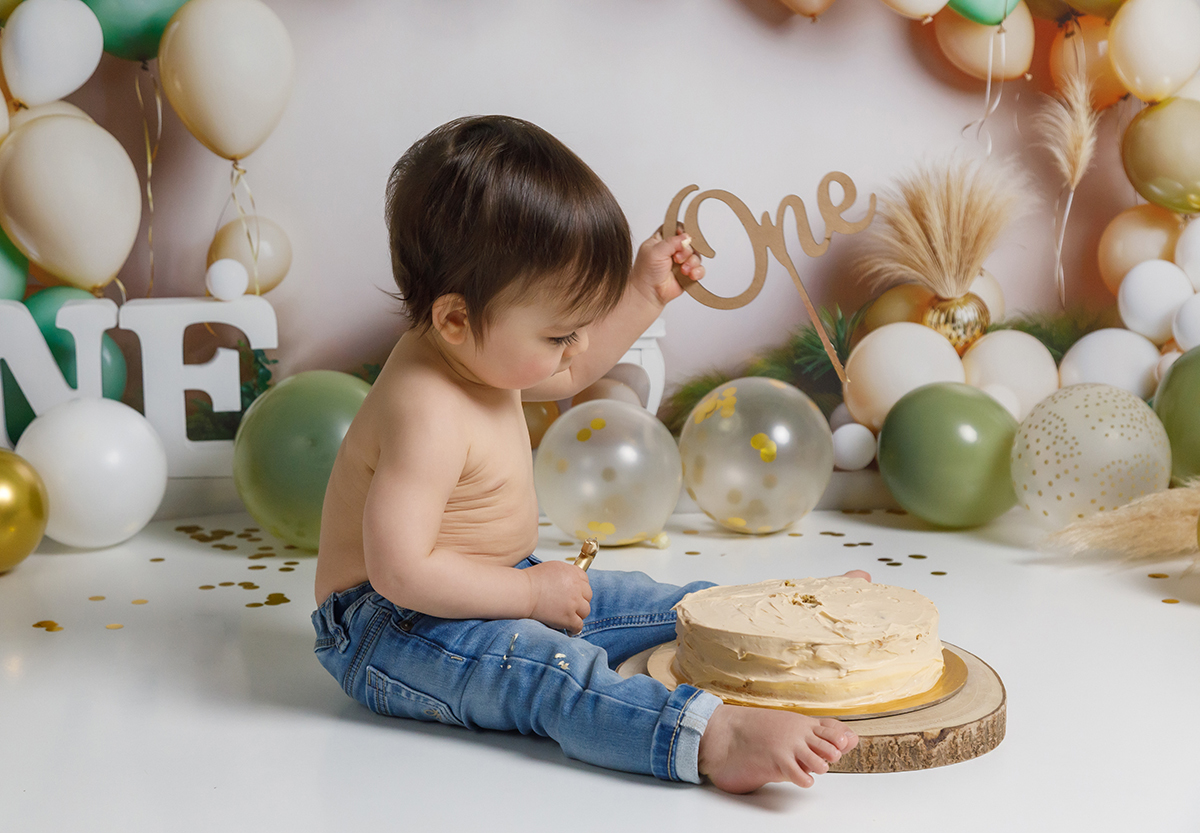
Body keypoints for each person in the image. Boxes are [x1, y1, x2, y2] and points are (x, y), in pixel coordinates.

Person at [312, 114, 861, 793]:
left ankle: (779, 617)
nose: (572, 350)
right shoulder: (425, 408)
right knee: (553, 674)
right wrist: (529, 591)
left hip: (494, 582)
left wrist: (642, 294)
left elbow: (569, 376)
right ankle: (714, 737)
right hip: (389, 627)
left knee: (648, 602)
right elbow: (399, 570)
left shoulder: (478, 350)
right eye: (559, 333)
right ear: (456, 318)